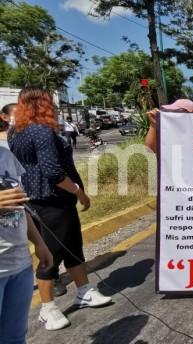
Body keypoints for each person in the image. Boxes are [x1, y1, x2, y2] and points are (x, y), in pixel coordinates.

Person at [8, 88, 112, 331]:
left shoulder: (16, 131)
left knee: (72, 246)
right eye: (51, 102)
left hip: (37, 200)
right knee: (51, 254)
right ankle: (48, 308)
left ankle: (84, 291)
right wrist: (79, 192)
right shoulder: (42, 131)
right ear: (43, 103)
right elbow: (54, 172)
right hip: (52, 199)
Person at [1, 146, 54, 343]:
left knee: (15, 337)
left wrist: (39, 243)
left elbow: (20, 205)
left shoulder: (6, 155)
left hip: (19, 264)